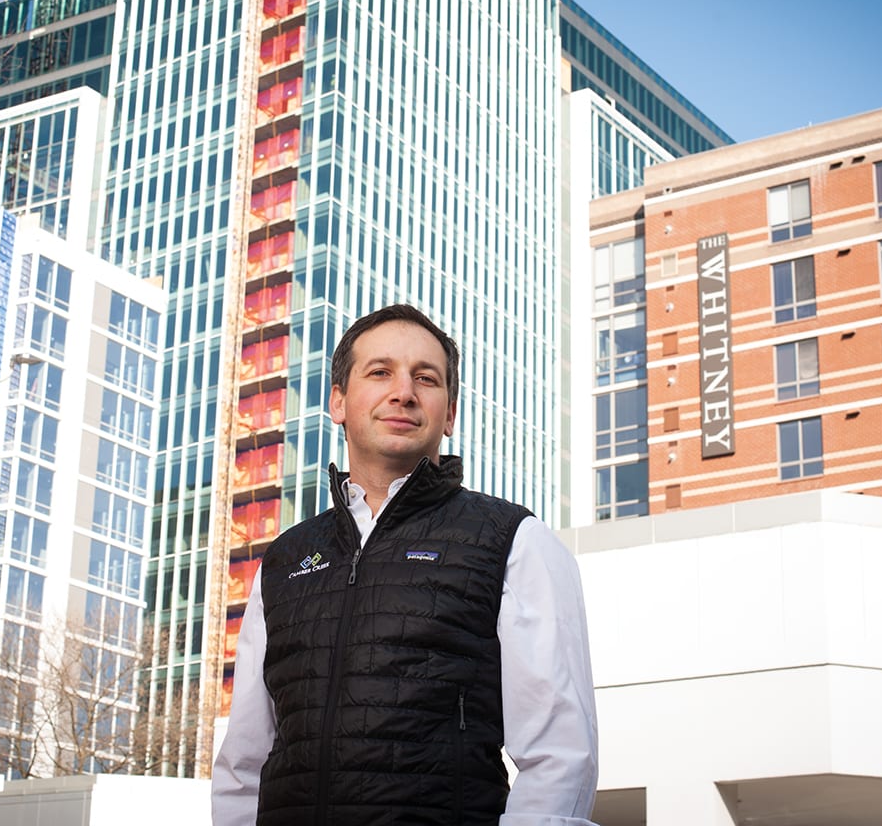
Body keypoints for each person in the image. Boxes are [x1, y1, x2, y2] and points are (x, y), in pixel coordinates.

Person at [212, 304, 598, 825]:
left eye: (426, 378)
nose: (404, 392)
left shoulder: (515, 541)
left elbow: (559, 755)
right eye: (380, 372)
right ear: (338, 402)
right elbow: (244, 762)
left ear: (450, 412)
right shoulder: (285, 559)